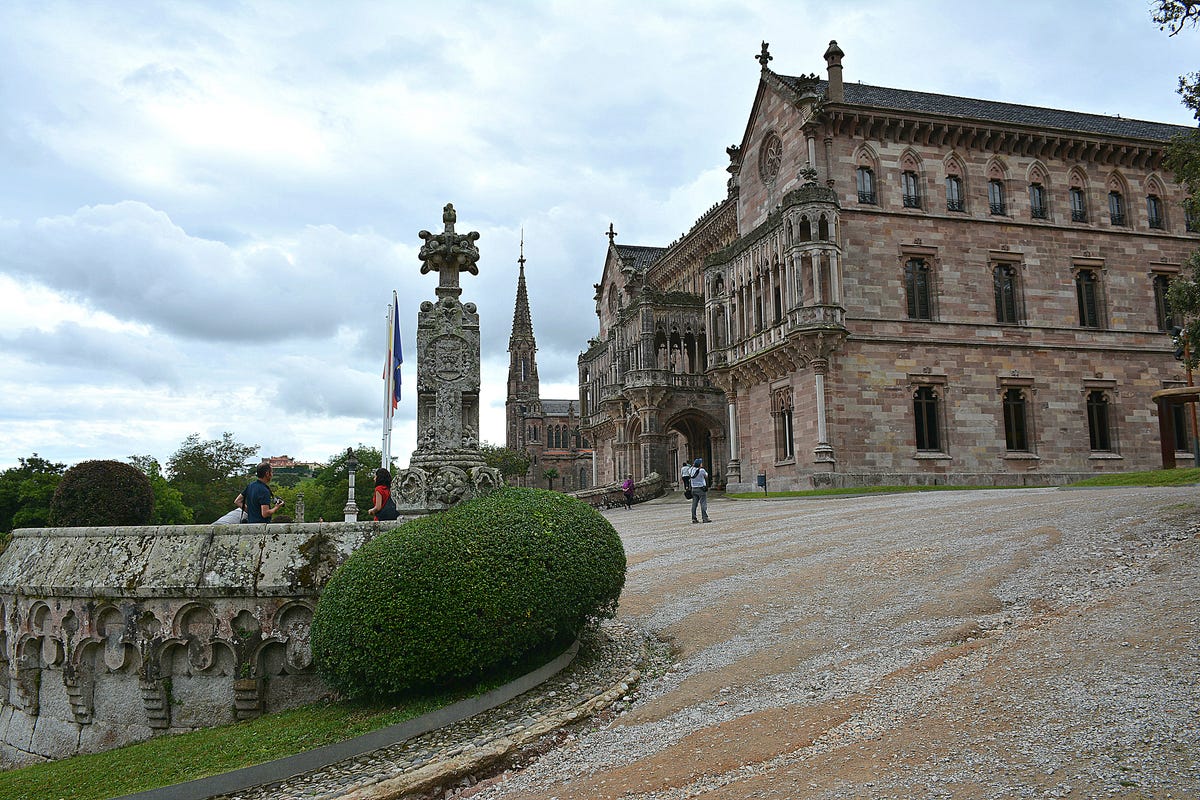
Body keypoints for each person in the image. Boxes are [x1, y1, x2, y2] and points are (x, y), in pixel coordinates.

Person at [688, 457, 711, 524]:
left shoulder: (690, 470)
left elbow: (690, 473)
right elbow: (706, 476)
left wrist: (693, 466)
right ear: (699, 464)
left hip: (693, 489)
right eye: (701, 463)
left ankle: (694, 518)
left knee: (694, 504)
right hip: (701, 489)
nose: (702, 463)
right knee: (703, 503)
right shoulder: (702, 470)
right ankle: (705, 518)